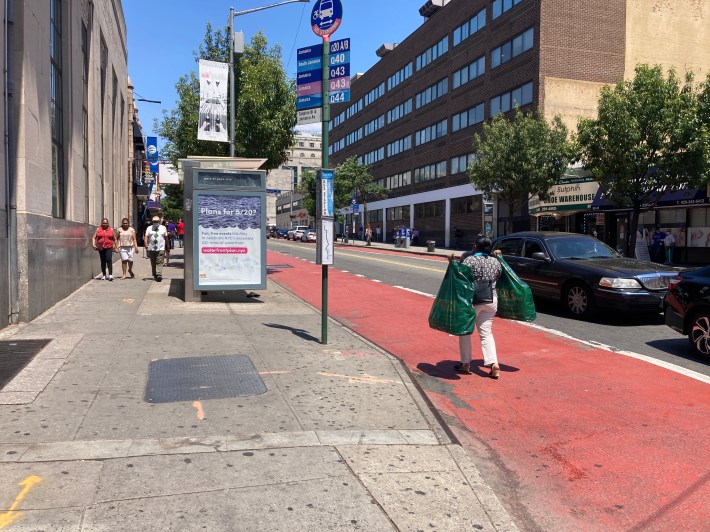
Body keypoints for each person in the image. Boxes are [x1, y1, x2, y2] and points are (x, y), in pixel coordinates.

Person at [450, 236, 502, 378]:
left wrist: (452, 263)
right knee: (486, 333)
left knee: (465, 331)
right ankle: (493, 364)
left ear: (475, 247)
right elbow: (498, 276)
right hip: (491, 299)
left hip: (473, 300)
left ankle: (465, 363)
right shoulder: (495, 261)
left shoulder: (470, 260)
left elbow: (461, 277)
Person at [144, 216, 168, 282]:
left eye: (156, 221)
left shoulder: (163, 228)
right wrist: (146, 244)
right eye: (154, 221)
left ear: (159, 221)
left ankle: (159, 275)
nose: (155, 223)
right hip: (151, 248)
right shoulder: (149, 228)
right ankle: (155, 274)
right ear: (152, 221)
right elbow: (146, 236)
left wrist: (167, 246)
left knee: (159, 261)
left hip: (161, 248)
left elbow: (166, 237)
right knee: (153, 262)